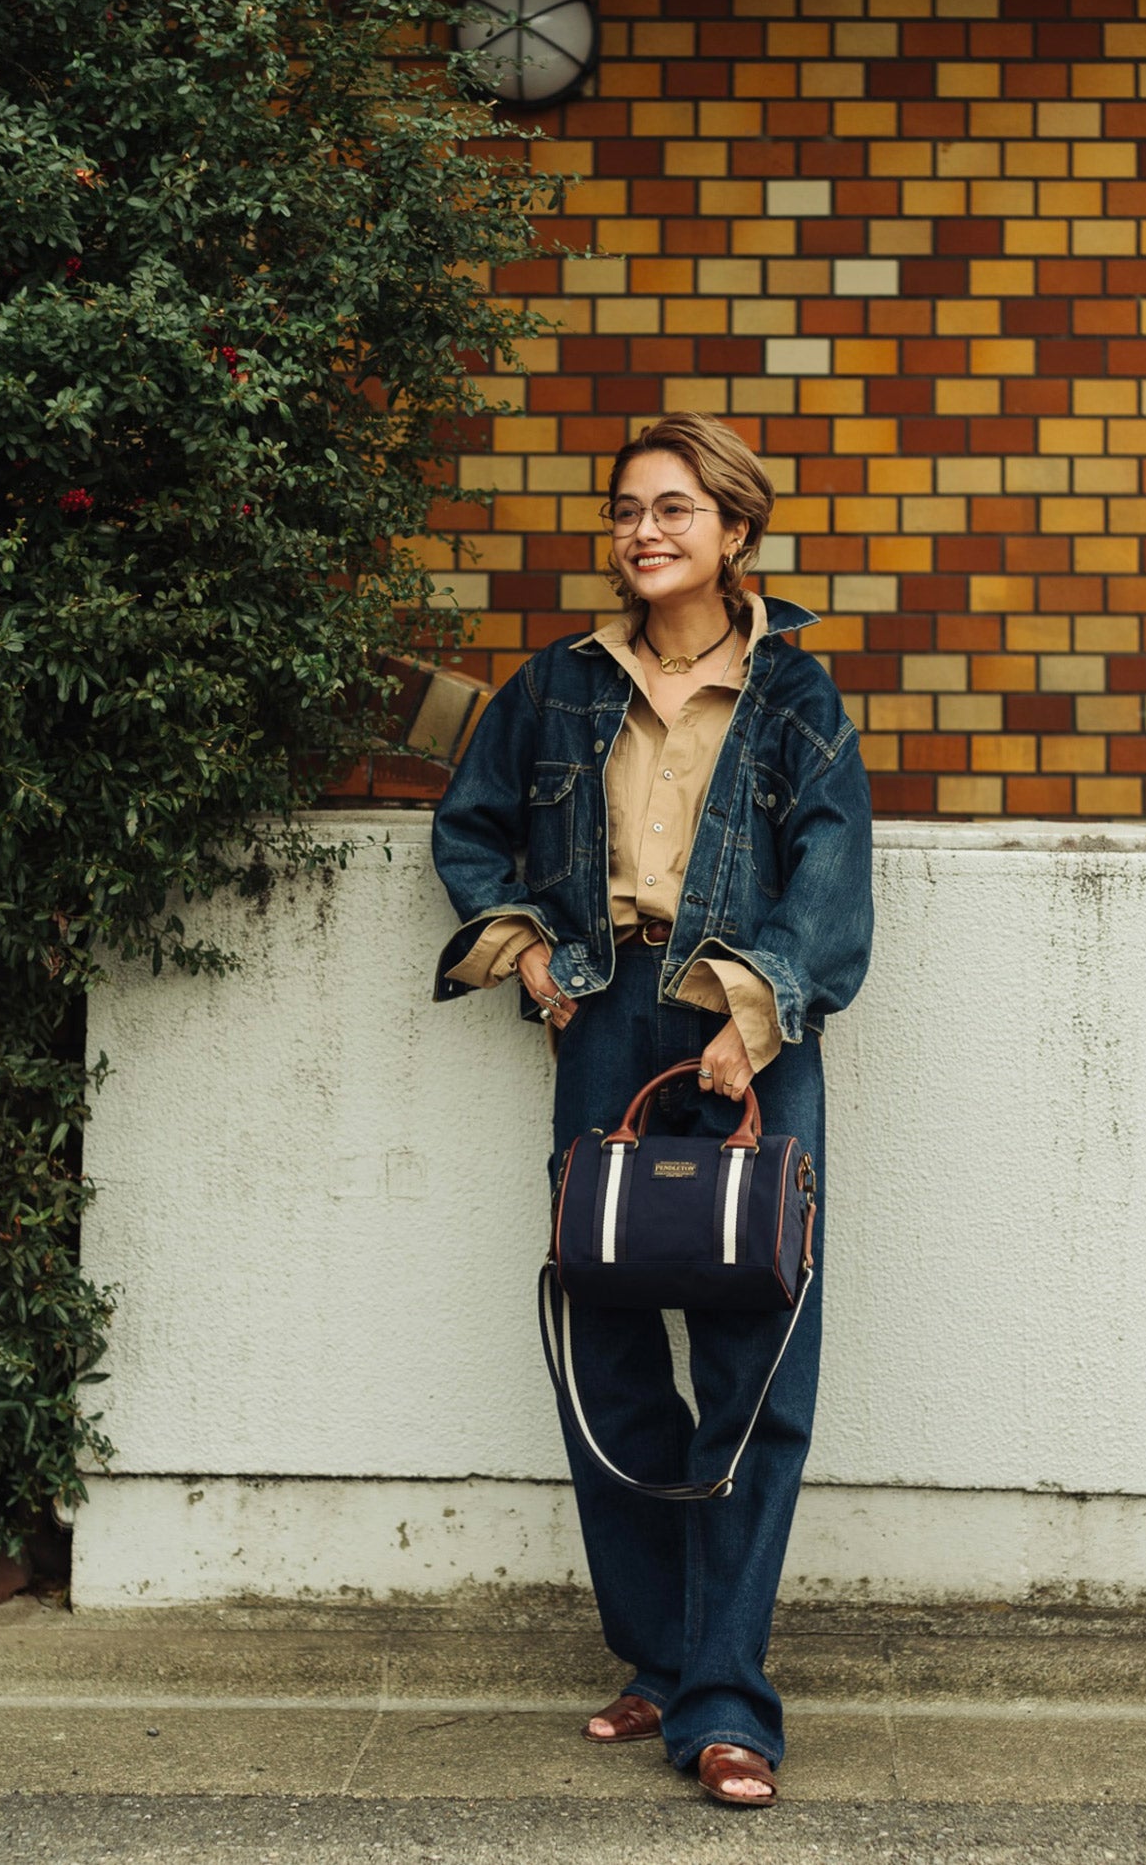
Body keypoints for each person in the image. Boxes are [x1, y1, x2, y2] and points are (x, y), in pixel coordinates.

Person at [431, 412, 873, 1807]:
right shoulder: (559, 685)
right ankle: (663, 1658)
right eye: (627, 509)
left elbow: (834, 879)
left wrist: (757, 1009)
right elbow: (472, 824)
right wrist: (525, 950)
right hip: (608, 1021)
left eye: (674, 508)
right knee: (608, 1349)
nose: (644, 531)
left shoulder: (797, 695)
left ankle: (729, 1700)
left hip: (750, 1040)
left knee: (754, 1367)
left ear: (735, 531)